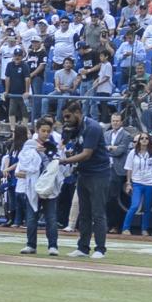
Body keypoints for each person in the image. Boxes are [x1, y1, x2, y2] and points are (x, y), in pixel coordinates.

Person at [62, 98, 114, 257]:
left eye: (68, 116)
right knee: (84, 212)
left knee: (98, 212)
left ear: (78, 113)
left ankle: (100, 249)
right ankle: (83, 247)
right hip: (84, 173)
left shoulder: (92, 127)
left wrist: (64, 161)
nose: (66, 120)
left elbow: (86, 154)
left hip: (99, 174)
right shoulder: (75, 127)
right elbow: (68, 145)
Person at [16, 121, 63, 255]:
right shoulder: (29, 145)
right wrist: (35, 152)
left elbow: (60, 164)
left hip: (49, 187)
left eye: (48, 131)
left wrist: (55, 154)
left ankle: (53, 246)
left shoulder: (54, 145)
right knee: (31, 218)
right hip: (33, 186)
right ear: (37, 130)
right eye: (43, 130)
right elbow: (24, 163)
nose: (46, 133)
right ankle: (31, 245)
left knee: (51, 218)